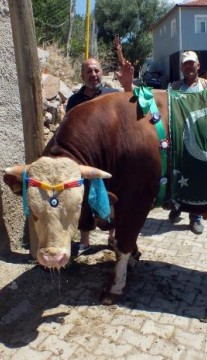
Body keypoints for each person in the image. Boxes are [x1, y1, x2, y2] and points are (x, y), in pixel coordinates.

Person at [67, 57, 134, 255]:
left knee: (114, 198)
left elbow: (131, 107)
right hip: (85, 159)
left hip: (111, 158)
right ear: (82, 75)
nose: (93, 75)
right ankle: (85, 242)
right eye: (89, 71)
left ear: (101, 72)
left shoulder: (112, 95)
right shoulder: (74, 101)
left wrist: (128, 85)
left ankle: (112, 237)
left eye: (96, 71)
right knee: (86, 199)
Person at [168, 50, 207, 235]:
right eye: (185, 63)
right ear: (181, 67)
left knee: (198, 181)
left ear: (198, 65)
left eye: (191, 63)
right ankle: (177, 207)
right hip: (179, 142)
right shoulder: (174, 88)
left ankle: (195, 217)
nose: (188, 66)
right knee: (177, 176)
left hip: (201, 142)